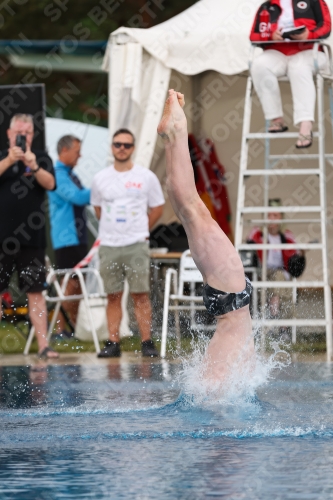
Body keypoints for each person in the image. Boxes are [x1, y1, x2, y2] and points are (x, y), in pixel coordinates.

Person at [157, 90, 255, 382]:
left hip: (232, 298)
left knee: (191, 209)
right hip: (229, 298)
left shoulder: (218, 378)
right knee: (189, 211)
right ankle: (174, 134)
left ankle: (176, 132)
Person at [91, 128, 165, 358]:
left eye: (126, 145)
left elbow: (158, 207)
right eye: (117, 144)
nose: (121, 148)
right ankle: (113, 341)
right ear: (112, 147)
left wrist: (142, 228)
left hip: (136, 243)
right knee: (112, 294)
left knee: (140, 293)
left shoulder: (146, 176)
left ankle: (146, 341)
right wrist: (114, 229)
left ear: (133, 148)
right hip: (110, 244)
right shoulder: (100, 178)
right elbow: (98, 210)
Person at [0, 114, 58, 359]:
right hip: (1, 239)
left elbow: (51, 184)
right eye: (18, 133)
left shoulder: (42, 158)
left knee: (36, 292)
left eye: (27, 133)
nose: (22, 137)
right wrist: (9, 160)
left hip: (32, 239)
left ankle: (44, 345)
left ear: (33, 135)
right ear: (9, 134)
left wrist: (33, 166)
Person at [250, 0, 331, 148]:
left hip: (310, 50)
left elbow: (326, 26)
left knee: (298, 66)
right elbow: (253, 35)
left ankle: (305, 126)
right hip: (278, 52)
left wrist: (309, 34)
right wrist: (270, 36)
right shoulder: (267, 6)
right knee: (258, 65)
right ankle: (276, 118)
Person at [48, 135, 90, 336]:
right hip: (66, 239)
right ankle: (60, 330)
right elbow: (78, 197)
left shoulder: (71, 175)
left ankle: (71, 329)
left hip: (78, 238)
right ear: (64, 150)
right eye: (77, 151)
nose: (80, 155)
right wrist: (105, 187)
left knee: (78, 284)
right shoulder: (57, 174)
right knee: (68, 284)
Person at [247, 202, 306, 327]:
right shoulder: (257, 233)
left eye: (275, 215)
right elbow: (248, 254)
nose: (272, 218)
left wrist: (302, 255)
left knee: (281, 279)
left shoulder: (287, 235)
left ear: (281, 218)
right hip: (262, 273)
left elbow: (295, 265)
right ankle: (283, 327)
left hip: (283, 276)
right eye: (269, 215)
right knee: (281, 279)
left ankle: (275, 311)